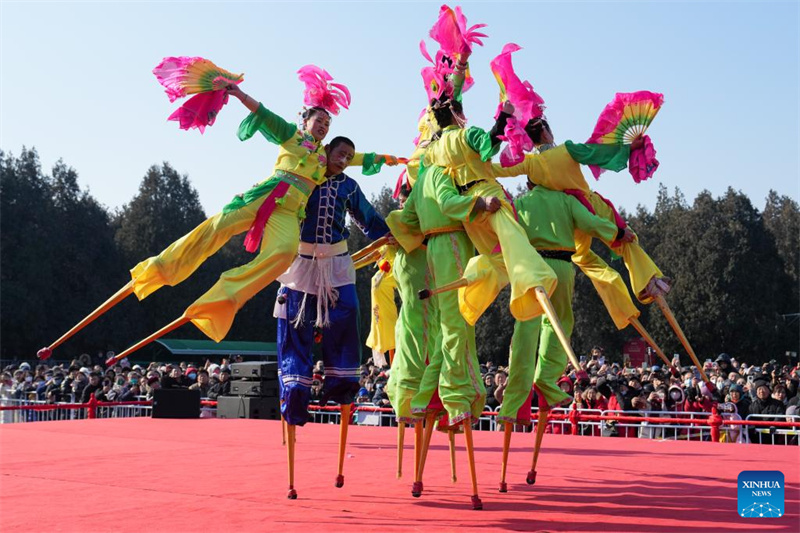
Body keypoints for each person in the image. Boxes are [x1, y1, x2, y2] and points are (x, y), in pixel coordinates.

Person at [273, 136, 390, 427]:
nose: (344, 160)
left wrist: (390, 236)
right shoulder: (304, 177)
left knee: (348, 312)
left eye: (350, 157)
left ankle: (340, 386)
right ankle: (296, 395)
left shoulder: (349, 186)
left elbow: (367, 216)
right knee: (295, 325)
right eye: (340, 153)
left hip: (336, 262)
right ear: (327, 150)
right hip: (302, 262)